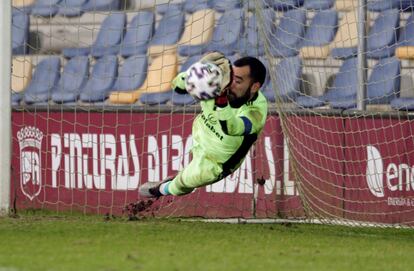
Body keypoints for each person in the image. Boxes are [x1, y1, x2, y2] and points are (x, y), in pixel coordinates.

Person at [139, 52, 268, 198]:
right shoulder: (219, 80)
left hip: (216, 163)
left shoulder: (256, 111)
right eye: (231, 77)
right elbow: (177, 87)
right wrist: (196, 71)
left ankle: (160, 189)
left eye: (238, 81)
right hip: (201, 133)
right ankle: (177, 180)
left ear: (254, 87)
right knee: (186, 181)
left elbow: (231, 128)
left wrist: (221, 102)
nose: (230, 84)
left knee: (182, 183)